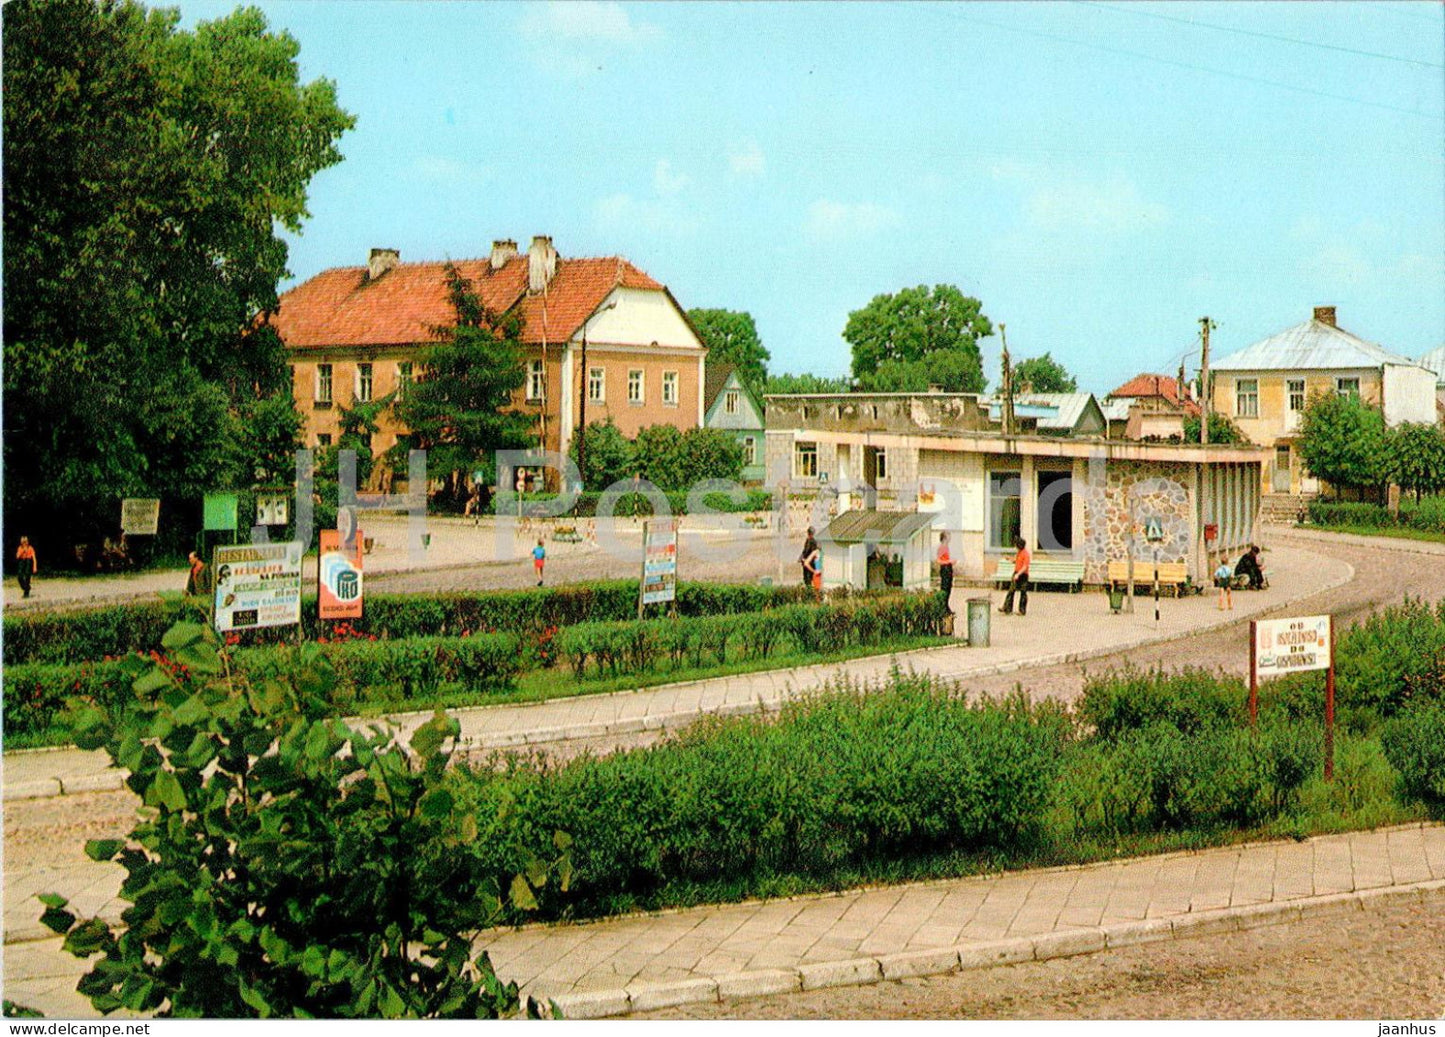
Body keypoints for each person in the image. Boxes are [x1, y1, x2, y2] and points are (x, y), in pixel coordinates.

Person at [999, 536, 1030, 616]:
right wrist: (1009, 559)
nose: (1015, 547)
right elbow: (1016, 560)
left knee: (1023, 592)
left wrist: (1018, 574)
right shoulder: (1019, 552)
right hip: (1016, 573)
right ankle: (1007, 608)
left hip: (1023, 575)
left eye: (1016, 545)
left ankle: (1022, 610)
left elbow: (1025, 567)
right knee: (1011, 591)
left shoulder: (1026, 554)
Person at [937, 531, 954, 609]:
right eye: (948, 536)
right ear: (944, 538)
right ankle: (943, 605)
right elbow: (939, 561)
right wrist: (949, 561)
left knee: (949, 587)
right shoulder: (942, 548)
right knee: (945, 587)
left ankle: (946, 605)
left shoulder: (946, 547)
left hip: (949, 568)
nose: (950, 538)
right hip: (945, 569)